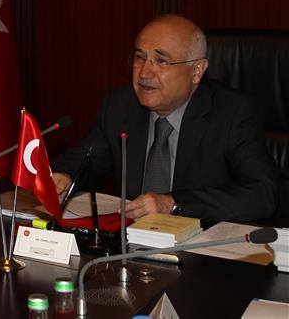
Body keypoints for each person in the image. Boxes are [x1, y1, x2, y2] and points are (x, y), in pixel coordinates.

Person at [51, 14, 279, 226]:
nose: (144, 73)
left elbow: (262, 193)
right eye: (140, 58)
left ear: (197, 71)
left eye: (161, 61)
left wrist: (173, 204)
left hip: (198, 245)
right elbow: (86, 159)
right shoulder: (120, 105)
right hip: (129, 242)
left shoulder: (234, 113)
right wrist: (64, 177)